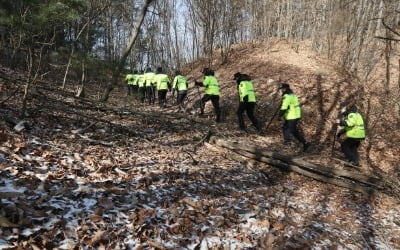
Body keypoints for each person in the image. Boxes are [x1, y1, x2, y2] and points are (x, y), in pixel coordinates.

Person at [278, 82, 310, 151]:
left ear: (285, 89)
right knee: (294, 131)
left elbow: (284, 107)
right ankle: (305, 143)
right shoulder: (293, 95)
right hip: (296, 115)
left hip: (291, 116)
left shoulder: (287, 96)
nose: (281, 91)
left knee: (286, 129)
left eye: (282, 89)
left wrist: (279, 116)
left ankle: (287, 143)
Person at [336, 102, 365, 166]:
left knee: (344, 146)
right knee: (353, 147)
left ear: (347, 107)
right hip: (359, 135)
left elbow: (350, 123)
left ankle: (353, 160)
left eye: (342, 108)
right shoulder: (356, 114)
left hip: (355, 134)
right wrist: (340, 133)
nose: (341, 109)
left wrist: (340, 122)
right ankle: (356, 161)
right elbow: (350, 126)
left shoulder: (352, 114)